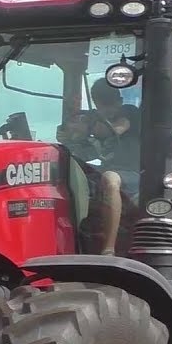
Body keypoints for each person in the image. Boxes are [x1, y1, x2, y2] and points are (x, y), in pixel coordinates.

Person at [57, 79, 142, 256]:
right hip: (105, 171)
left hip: (137, 175)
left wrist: (89, 128)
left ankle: (108, 249)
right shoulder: (95, 120)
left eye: (111, 104)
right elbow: (88, 153)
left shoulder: (129, 112)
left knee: (110, 179)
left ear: (119, 101)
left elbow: (117, 129)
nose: (108, 109)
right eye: (102, 105)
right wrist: (69, 138)